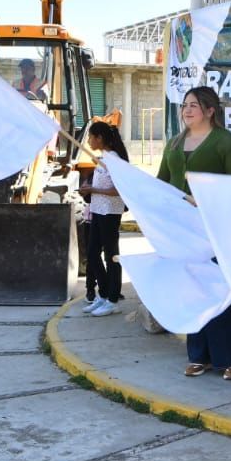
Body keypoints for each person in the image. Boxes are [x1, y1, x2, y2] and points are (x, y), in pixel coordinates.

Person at [158, 86, 231, 380]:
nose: (187, 110)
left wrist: (208, 201)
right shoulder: (174, 143)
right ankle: (198, 356)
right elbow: (162, 183)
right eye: (184, 105)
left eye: (194, 105)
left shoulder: (226, 143)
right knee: (192, 291)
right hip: (181, 231)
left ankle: (229, 358)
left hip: (214, 229)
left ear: (210, 110)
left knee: (216, 291)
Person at [79, 121, 128, 318]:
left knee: (111, 256)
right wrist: (89, 189)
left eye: (91, 137)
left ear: (99, 138)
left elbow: (118, 190)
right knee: (92, 253)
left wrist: (93, 189)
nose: (89, 141)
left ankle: (113, 300)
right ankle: (104, 294)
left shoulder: (114, 160)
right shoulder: (103, 158)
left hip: (110, 213)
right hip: (98, 210)